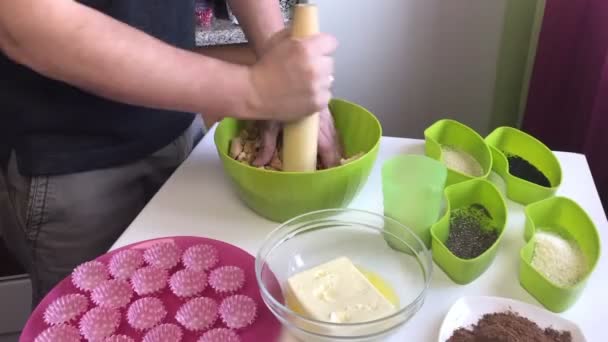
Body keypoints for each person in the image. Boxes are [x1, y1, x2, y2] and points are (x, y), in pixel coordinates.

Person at [0, 0, 340, 307]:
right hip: (69, 164)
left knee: (191, 308)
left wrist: (275, 56)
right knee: (90, 319)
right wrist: (257, 91)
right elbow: (24, 19)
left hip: (179, 131)